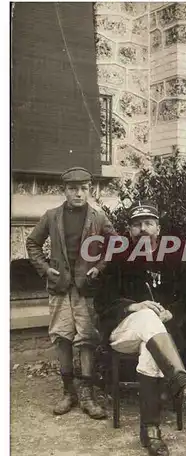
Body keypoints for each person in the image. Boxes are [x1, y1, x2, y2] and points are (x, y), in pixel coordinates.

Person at [95, 201, 186, 456]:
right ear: (130, 231)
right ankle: (180, 380)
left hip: (156, 340)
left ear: (158, 228)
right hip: (123, 334)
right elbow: (101, 302)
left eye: (148, 224)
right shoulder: (118, 258)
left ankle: (151, 431)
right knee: (146, 316)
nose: (143, 229)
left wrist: (171, 312)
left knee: (150, 341)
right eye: (137, 225)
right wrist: (134, 306)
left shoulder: (174, 258)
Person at [26, 166, 116, 419]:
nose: (78, 193)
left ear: (90, 190)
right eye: (73, 189)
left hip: (85, 289)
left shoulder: (98, 217)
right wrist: (45, 269)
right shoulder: (52, 216)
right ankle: (68, 392)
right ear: (64, 190)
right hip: (59, 287)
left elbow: (114, 244)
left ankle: (87, 395)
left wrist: (98, 267)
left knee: (86, 338)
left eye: (84, 189)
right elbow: (32, 242)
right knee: (61, 337)